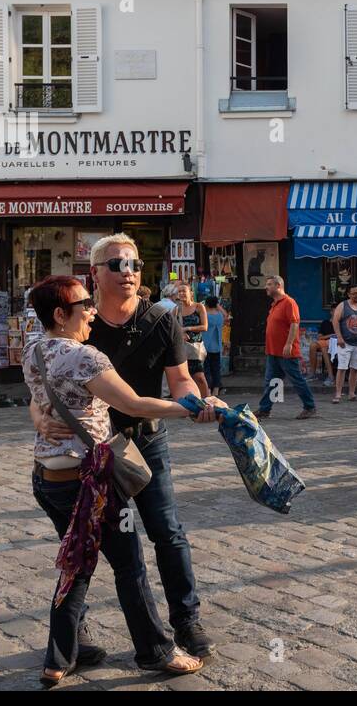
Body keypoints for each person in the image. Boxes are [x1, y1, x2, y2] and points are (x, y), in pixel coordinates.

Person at [30, 234, 218, 659]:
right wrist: (39, 417)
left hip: (145, 441)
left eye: (133, 264)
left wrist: (193, 401)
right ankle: (75, 636)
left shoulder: (161, 319)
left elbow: (181, 377)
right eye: (116, 264)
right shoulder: (80, 327)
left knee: (167, 533)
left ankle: (186, 622)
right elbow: (44, 388)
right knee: (79, 544)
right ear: (95, 274)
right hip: (91, 453)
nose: (128, 271)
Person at [257, 275, 317, 420]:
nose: (266, 287)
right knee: (272, 382)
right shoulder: (275, 304)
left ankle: (310, 407)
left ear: (278, 286)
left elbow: (294, 323)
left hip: (286, 351)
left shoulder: (289, 302)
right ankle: (265, 409)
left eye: (269, 284)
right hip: (273, 351)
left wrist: (289, 344)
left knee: (296, 379)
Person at [331, 284, 357, 404]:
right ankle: (338, 394)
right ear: (348, 294)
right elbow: (335, 320)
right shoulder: (342, 306)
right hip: (345, 343)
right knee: (342, 368)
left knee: (355, 369)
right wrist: (339, 337)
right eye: (354, 293)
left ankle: (352, 393)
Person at [176, 283, 209, 399]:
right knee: (185, 378)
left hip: (195, 347)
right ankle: (191, 405)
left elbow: (204, 327)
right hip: (181, 348)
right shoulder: (176, 310)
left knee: (199, 376)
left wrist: (187, 328)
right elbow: (171, 328)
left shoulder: (198, 307)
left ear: (191, 293)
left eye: (183, 291)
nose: (181, 294)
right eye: (179, 291)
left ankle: (207, 402)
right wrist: (180, 333)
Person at [201, 295, 229, 399]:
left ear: (206, 304)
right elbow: (226, 314)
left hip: (206, 346)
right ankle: (216, 390)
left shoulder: (205, 316)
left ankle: (208, 388)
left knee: (206, 369)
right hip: (217, 347)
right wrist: (218, 306)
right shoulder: (219, 316)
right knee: (216, 369)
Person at [309, 316, 335, 385]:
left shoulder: (341, 322)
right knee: (313, 345)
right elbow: (320, 337)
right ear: (331, 312)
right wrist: (331, 335)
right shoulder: (325, 323)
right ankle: (312, 374)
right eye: (334, 310)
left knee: (324, 348)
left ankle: (330, 376)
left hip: (336, 343)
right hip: (325, 341)